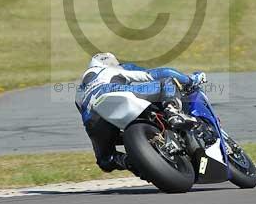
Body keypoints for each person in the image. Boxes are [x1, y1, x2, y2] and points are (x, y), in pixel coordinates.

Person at [74, 52, 207, 172]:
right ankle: (173, 113)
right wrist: (190, 80)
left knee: (106, 159)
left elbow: (80, 107)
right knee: (167, 82)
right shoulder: (111, 68)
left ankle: (131, 163)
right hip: (112, 91)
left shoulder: (80, 90)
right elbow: (158, 73)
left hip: (91, 118)